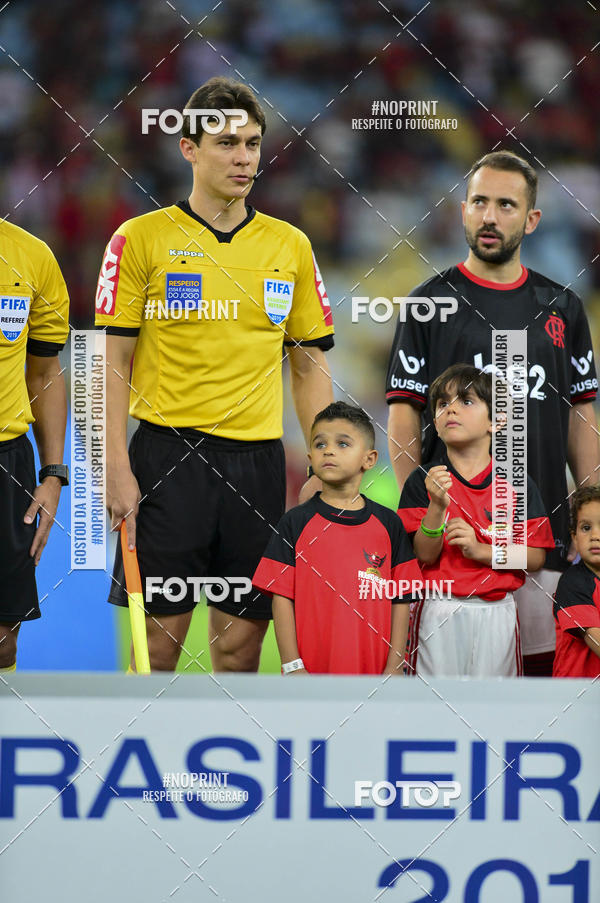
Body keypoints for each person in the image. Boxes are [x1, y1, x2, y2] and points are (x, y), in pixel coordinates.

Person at [95, 76, 334, 673]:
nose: (243, 157)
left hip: (258, 466)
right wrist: (114, 466)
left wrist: (322, 464)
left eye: (252, 144)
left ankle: (229, 742)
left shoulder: (290, 246)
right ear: (189, 148)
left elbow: (308, 365)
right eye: (227, 143)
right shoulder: (139, 239)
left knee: (240, 651)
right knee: (155, 651)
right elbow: (110, 361)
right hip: (166, 460)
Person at [386, 150, 600, 676]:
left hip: (541, 535)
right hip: (454, 545)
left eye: (506, 205)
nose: (489, 216)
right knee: (446, 685)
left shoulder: (563, 307)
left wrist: (590, 508)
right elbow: (405, 412)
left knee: (541, 683)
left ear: (531, 219)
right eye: (479, 202)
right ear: (463, 210)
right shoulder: (427, 303)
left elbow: (582, 414)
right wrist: (420, 505)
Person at [398, 365, 555, 677]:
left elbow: (535, 557)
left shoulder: (517, 484)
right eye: (442, 403)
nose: (451, 409)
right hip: (437, 608)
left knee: (495, 704)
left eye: (466, 401)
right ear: (435, 422)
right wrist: (437, 508)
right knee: (432, 702)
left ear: (496, 421)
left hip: (498, 611)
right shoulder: (423, 479)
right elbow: (424, 555)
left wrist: (480, 550)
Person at [252, 402, 421, 675]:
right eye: (320, 444)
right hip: (309, 678)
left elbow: (402, 599)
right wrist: (292, 665)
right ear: (310, 458)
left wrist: (395, 665)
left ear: (369, 459)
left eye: (342, 443)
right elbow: (281, 598)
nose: (328, 450)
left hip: (375, 677)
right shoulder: (294, 523)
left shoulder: (389, 525)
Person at [0, 219, 70, 671]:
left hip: (7, 464)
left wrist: (53, 474)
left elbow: (44, 372)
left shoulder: (32, 255)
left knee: (2, 642)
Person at [553, 486, 600, 678]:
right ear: (574, 537)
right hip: (576, 690)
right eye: (586, 528)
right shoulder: (572, 583)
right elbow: (594, 638)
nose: (595, 536)